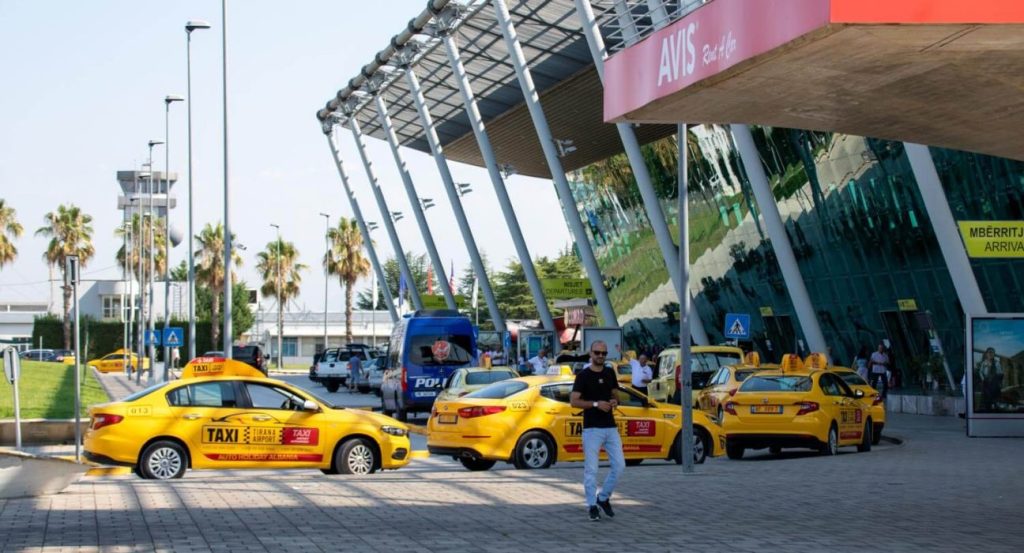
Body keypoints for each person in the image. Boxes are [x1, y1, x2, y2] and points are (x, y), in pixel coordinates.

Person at [570, 340, 625, 522]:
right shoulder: (583, 376)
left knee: (619, 465)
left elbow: (615, 394)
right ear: (590, 353)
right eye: (597, 353)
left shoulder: (609, 372)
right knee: (591, 469)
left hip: (610, 426)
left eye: (603, 353)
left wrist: (615, 401)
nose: (600, 356)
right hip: (592, 428)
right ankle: (592, 505)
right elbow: (574, 401)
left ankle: (603, 498)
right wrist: (595, 404)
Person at [977, 347, 1003, 411]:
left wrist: (997, 380)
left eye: (992, 353)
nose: (990, 354)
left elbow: (1000, 373)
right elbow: (980, 372)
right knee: (985, 400)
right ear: (986, 354)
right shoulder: (984, 363)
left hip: (994, 384)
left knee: (995, 400)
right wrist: (983, 379)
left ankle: (995, 409)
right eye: (989, 352)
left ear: (994, 354)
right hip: (986, 383)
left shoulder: (997, 363)